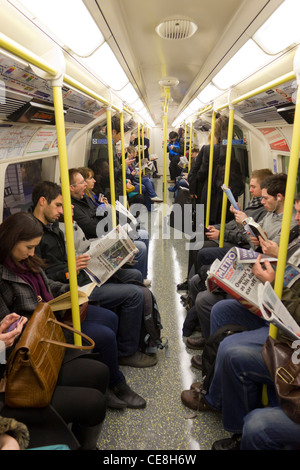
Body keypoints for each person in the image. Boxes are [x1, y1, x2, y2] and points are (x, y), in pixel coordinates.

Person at [0, 213, 148, 423]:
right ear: (11, 240)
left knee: (110, 318)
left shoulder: (27, 261)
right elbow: (10, 324)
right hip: (42, 330)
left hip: (55, 310)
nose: (32, 253)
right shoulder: (3, 276)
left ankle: (109, 373)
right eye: (28, 247)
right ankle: (117, 384)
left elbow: (48, 285)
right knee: (104, 335)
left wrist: (72, 292)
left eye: (34, 247)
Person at [181, 196, 300, 450]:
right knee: (222, 309)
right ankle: (216, 390)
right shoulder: (296, 237)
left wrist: (273, 280)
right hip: (282, 309)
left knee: (232, 350)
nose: (296, 218)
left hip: (290, 327)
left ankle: (235, 428)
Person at [31, 181, 157, 370]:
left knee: (133, 274)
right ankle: (127, 352)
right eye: (58, 205)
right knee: (135, 294)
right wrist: (69, 270)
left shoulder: (52, 226)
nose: (62, 210)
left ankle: (137, 338)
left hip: (80, 275)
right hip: (71, 287)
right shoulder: (33, 234)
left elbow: (64, 260)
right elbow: (43, 277)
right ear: (42, 202)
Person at [185, 173, 298, 358]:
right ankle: (209, 340)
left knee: (205, 294)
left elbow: (271, 255)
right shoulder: (270, 214)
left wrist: (257, 241)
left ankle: (210, 345)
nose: (261, 201)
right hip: (256, 262)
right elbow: (253, 240)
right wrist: (250, 233)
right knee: (202, 277)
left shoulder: (289, 223)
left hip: (265, 274)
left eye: (265, 197)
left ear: (279, 197)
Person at [69, 168, 150, 281]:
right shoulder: (73, 207)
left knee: (143, 234)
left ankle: (142, 277)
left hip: (107, 233)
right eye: (82, 182)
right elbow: (93, 227)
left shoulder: (85, 198)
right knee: (141, 246)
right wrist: (104, 214)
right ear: (71, 187)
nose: (86, 184)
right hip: (97, 242)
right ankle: (138, 280)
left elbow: (98, 214)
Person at [188, 114, 245, 225]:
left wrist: (194, 189)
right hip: (228, 196)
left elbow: (200, 173)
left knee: (207, 223)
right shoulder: (238, 149)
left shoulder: (208, 149)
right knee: (223, 224)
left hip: (209, 193)